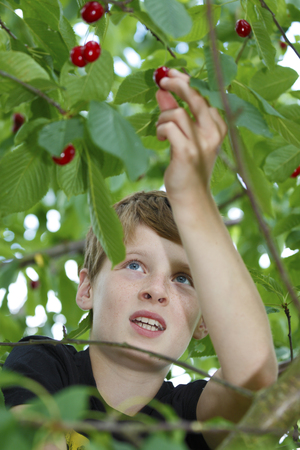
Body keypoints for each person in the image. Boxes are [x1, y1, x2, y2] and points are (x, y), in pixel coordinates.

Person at [2, 69, 278, 450]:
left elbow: (254, 374)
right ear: (86, 287)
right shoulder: (43, 365)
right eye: (134, 265)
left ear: (205, 321)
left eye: (183, 278)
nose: (156, 290)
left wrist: (193, 198)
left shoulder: (189, 418)